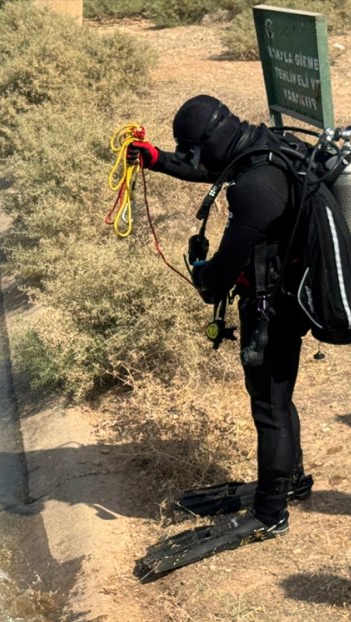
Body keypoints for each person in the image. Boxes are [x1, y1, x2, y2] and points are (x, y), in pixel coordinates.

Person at [129, 95, 312, 545]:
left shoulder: (255, 189)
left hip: (274, 307)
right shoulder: (262, 146)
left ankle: (271, 512)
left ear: (212, 138)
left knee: (269, 407)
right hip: (290, 294)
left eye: (195, 149)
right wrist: (157, 160)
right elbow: (213, 168)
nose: (196, 160)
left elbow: (218, 277)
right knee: (279, 397)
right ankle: (289, 480)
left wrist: (198, 269)